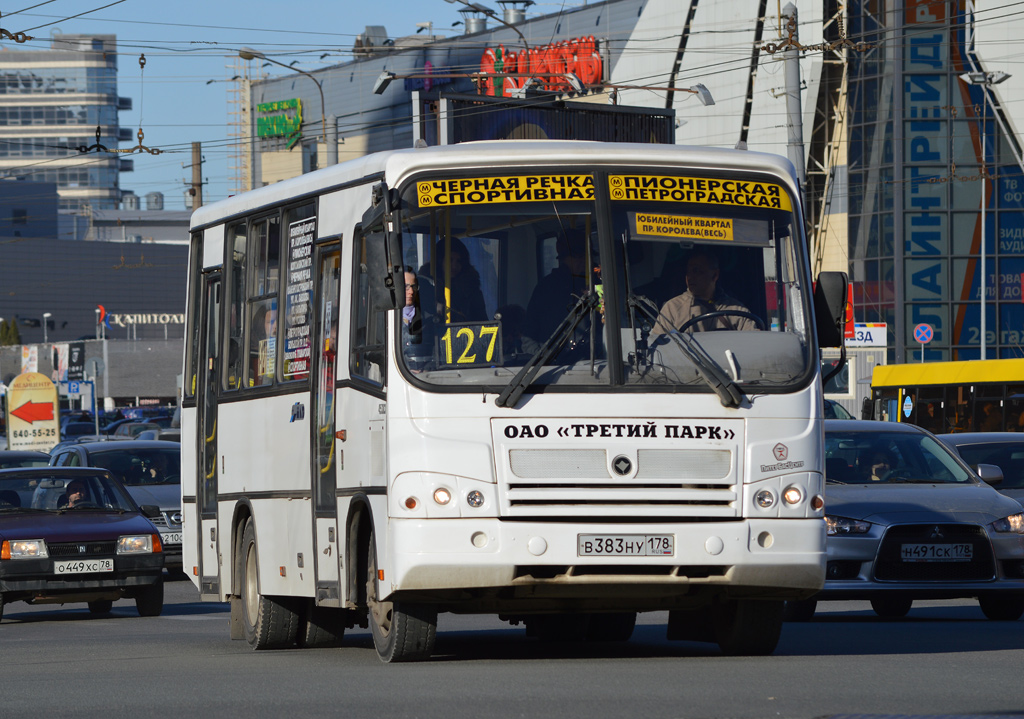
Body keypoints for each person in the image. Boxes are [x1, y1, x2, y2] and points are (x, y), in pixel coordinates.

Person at [651, 248, 759, 335]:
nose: (690, 277)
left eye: (696, 270)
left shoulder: (736, 309)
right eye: (688, 271)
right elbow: (658, 345)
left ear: (715, 275)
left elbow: (754, 342)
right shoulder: (673, 308)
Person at [525, 233, 592, 347]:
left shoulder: (592, 283)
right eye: (578, 257)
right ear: (564, 259)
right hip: (556, 359)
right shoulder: (547, 288)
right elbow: (530, 333)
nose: (583, 262)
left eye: (585, 257)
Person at [420, 237, 487, 325]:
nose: (454, 266)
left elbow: (482, 322)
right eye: (450, 260)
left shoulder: (471, 289)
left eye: (459, 261)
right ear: (440, 261)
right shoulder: (425, 286)